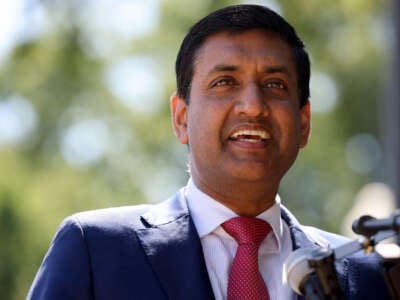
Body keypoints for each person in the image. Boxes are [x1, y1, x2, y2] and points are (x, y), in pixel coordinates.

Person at [28, 5, 391, 300]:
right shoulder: (95, 250)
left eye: (274, 85)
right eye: (224, 83)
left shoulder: (361, 273)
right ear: (182, 118)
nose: (253, 105)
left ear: (304, 123)